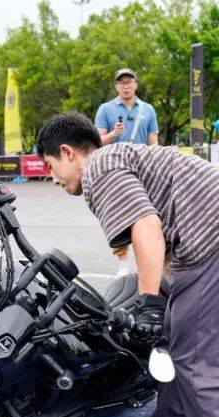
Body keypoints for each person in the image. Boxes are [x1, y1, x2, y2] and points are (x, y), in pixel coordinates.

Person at [37, 112, 219, 417]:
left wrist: (147, 302)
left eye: (50, 166)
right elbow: (156, 234)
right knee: (178, 337)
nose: (53, 177)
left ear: (68, 152)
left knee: (197, 359)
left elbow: (147, 226)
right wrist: (161, 296)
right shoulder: (120, 157)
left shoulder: (99, 169)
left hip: (218, 239)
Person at [95, 68, 160, 277]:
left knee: (148, 214)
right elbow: (98, 141)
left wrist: (157, 162)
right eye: (121, 82)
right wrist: (114, 134)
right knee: (118, 216)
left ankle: (148, 260)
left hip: (143, 167)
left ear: (136, 85)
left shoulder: (148, 109)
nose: (126, 86)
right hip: (115, 168)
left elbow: (153, 142)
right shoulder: (105, 109)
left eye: (129, 82)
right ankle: (123, 262)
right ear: (116, 86)